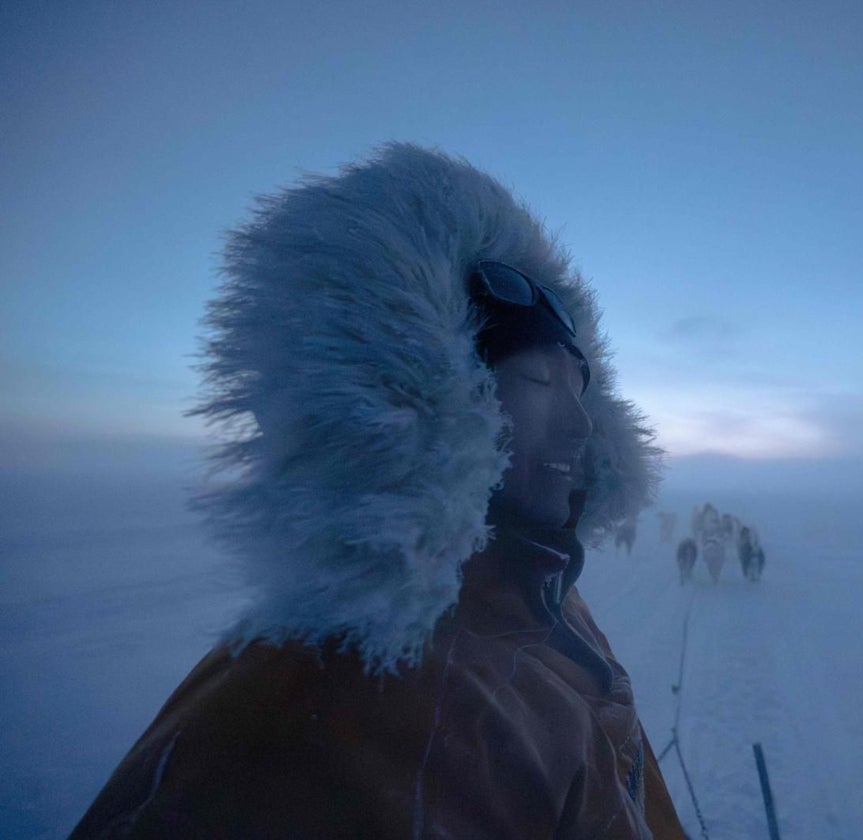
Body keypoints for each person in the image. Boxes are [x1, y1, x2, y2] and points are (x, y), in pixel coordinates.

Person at [71, 144, 686, 838]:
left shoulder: (546, 602)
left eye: (581, 390)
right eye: (539, 384)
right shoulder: (324, 718)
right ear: (429, 401)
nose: (579, 425)